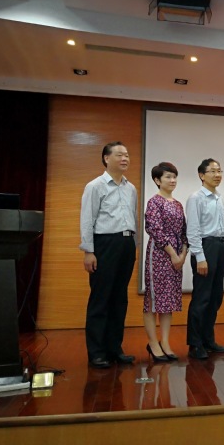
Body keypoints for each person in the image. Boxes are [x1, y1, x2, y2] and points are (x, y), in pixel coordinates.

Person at [80, 141, 138, 369]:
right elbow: (87, 220)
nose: (125, 158)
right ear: (106, 158)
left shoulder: (130, 188)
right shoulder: (95, 186)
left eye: (127, 155)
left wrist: (132, 245)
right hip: (104, 244)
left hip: (126, 244)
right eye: (120, 155)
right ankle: (96, 352)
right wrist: (89, 251)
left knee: (119, 299)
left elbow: (131, 217)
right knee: (101, 298)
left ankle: (115, 349)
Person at [185, 158, 224, 360]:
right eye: (212, 171)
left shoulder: (219, 197)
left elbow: (221, 227)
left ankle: (208, 339)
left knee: (215, 297)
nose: (217, 175)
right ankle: (195, 344)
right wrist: (200, 257)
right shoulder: (196, 198)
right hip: (205, 247)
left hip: (219, 246)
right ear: (201, 175)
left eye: (219, 171)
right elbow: (193, 230)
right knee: (202, 297)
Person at [143, 162, 188, 363]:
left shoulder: (178, 204)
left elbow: (184, 232)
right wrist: (173, 254)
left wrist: (182, 255)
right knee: (153, 300)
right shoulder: (154, 202)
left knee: (168, 300)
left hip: (177, 255)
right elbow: (155, 230)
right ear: (157, 180)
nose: (172, 180)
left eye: (174, 176)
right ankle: (153, 343)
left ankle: (166, 342)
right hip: (160, 254)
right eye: (168, 176)